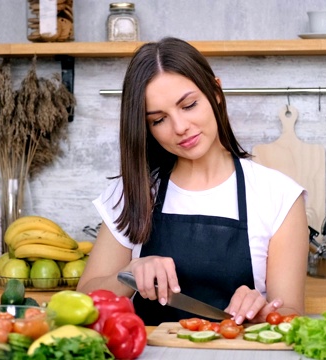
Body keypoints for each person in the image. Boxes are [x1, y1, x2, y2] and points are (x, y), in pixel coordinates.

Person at [77, 37, 309, 326]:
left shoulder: (279, 195)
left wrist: (260, 312)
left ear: (216, 92)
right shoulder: (131, 193)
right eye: (158, 120)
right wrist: (129, 273)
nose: (180, 127)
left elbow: (290, 316)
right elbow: (84, 302)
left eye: (188, 105)